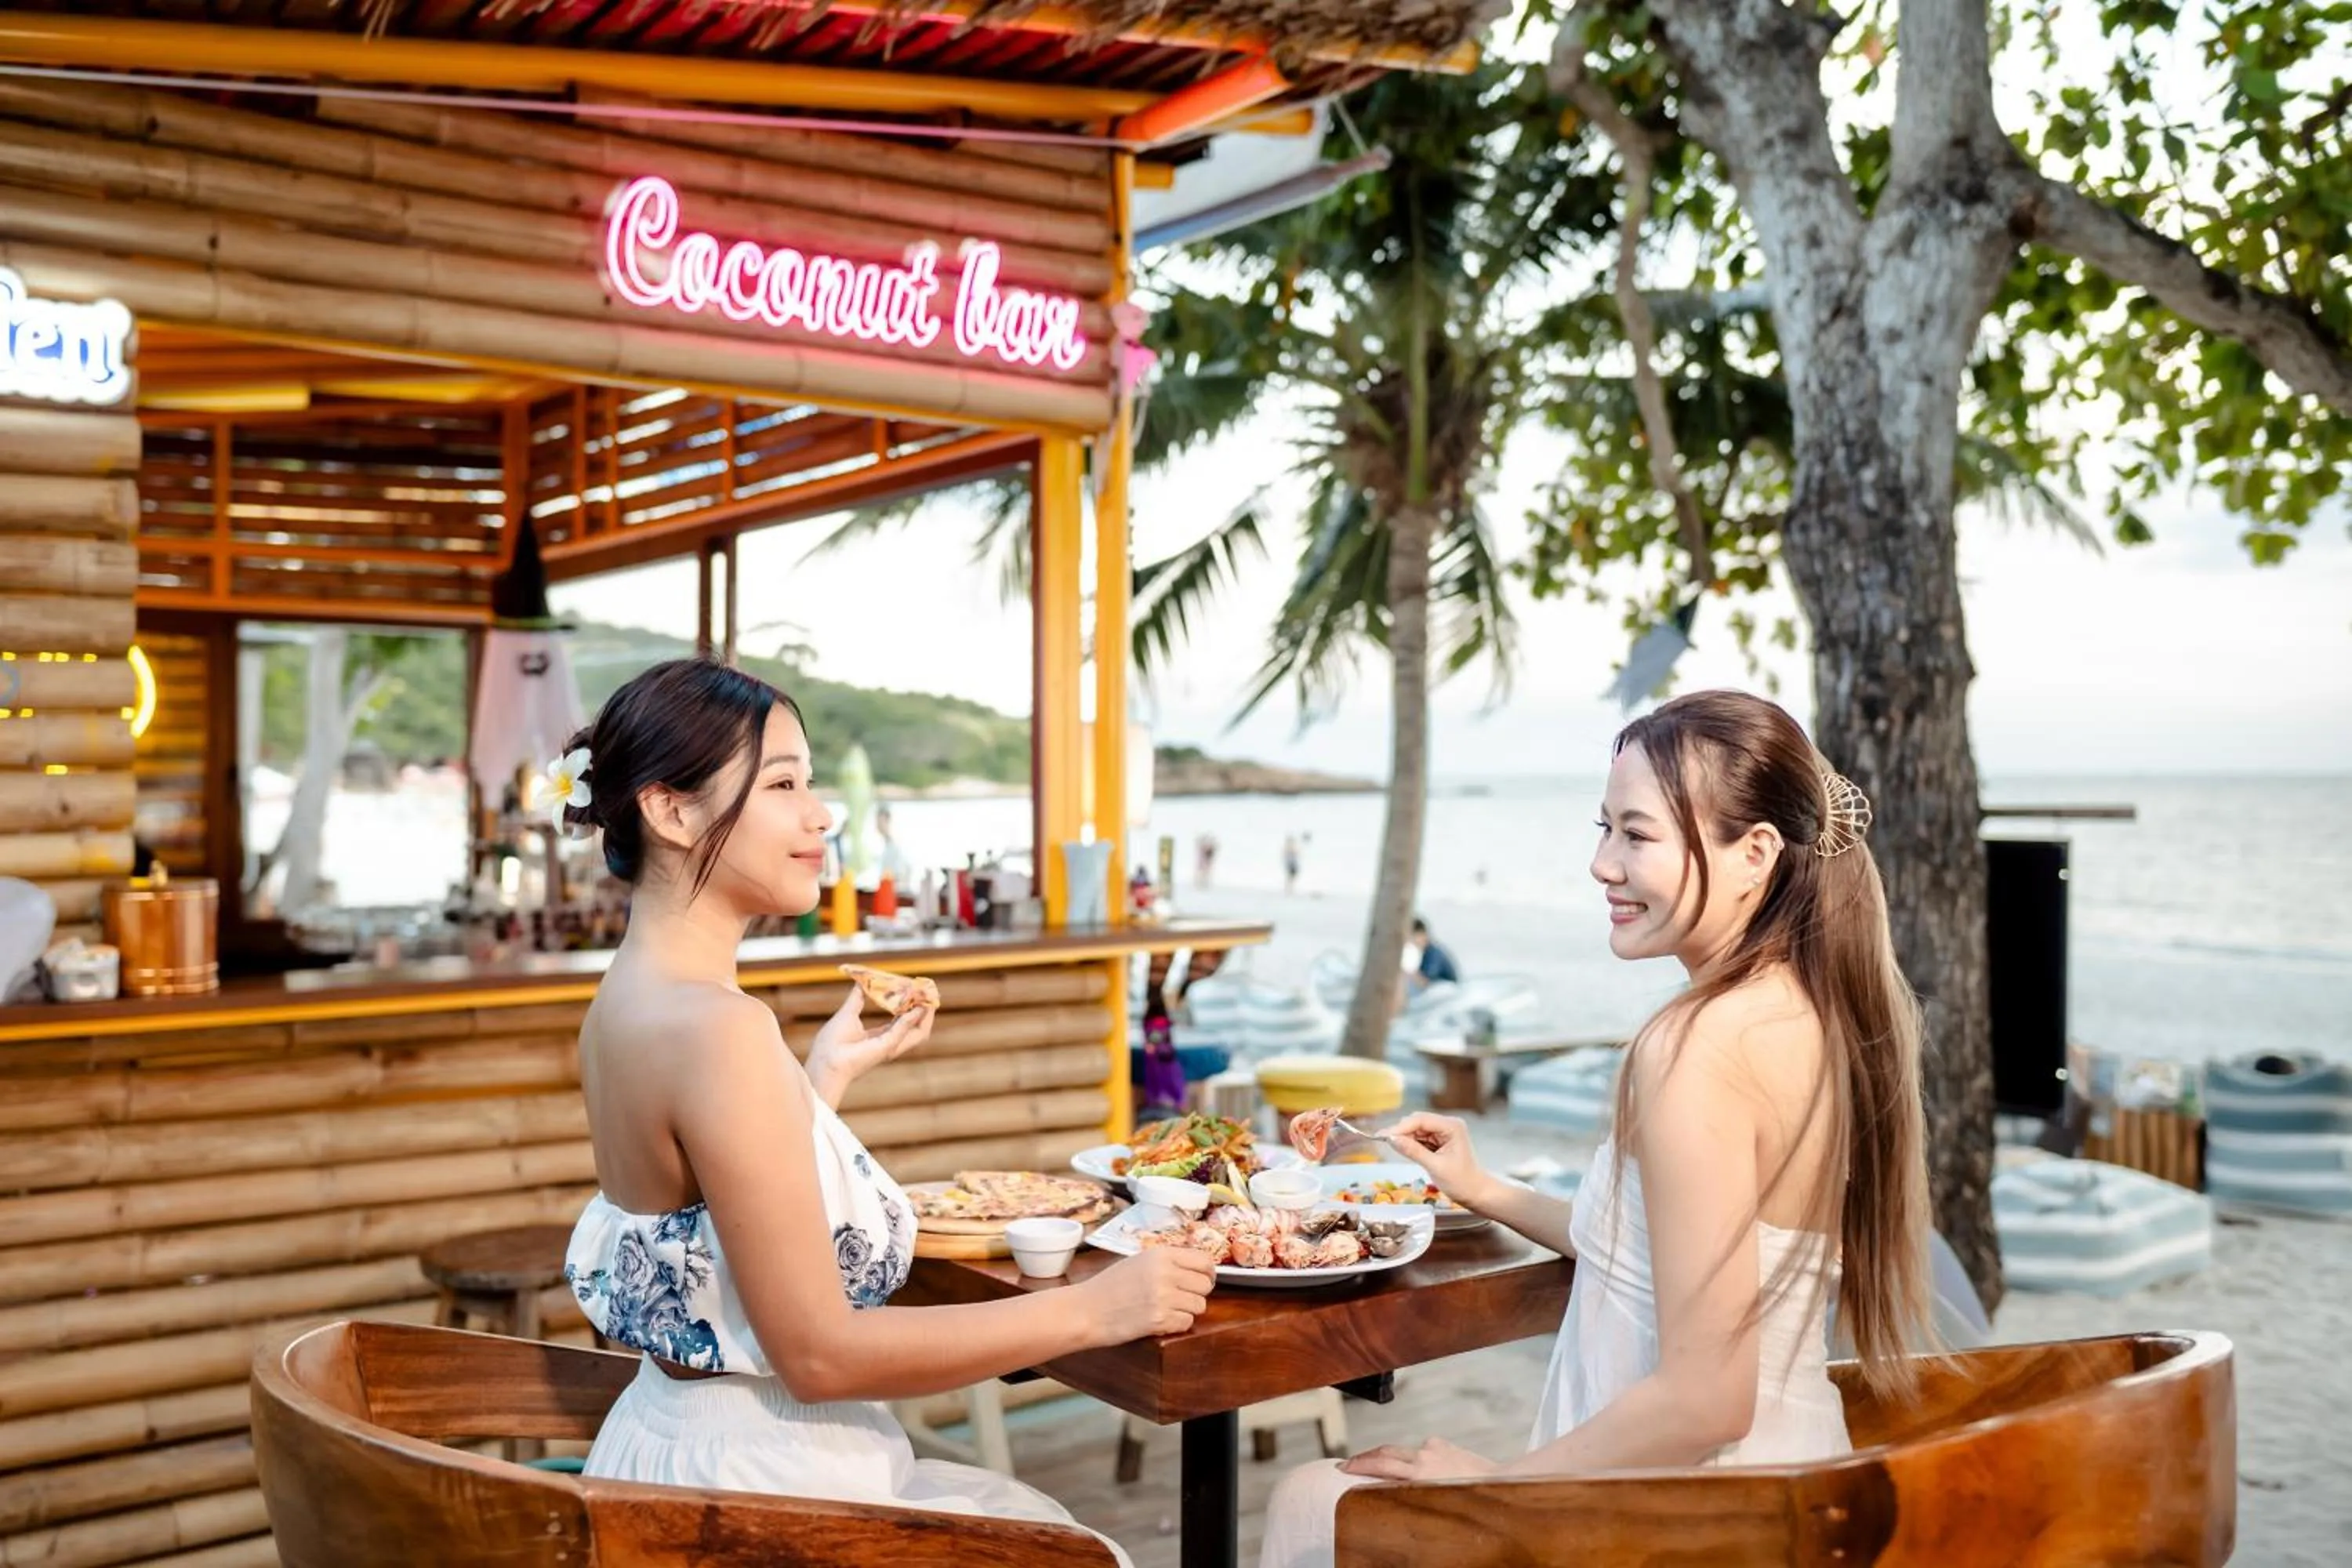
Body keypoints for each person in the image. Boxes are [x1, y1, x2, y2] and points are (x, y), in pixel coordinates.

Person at [1259, 689, 1932, 1568]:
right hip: (1795, 1492)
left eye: (1637, 835)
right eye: (1604, 827)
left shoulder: (1696, 1045)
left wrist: (1496, 1484)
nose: (1601, 863)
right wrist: (1485, 1189)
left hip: (1696, 1519)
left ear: (1755, 853)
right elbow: (1667, 1256)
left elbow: (1707, 1398)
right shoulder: (1804, 1011)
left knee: (1314, 1500)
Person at [554, 659, 1209, 1555]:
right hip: (762, 1483)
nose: (821, 813)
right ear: (672, 810)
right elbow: (819, 1353)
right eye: (783, 783)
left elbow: (692, 1221)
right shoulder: (719, 1028)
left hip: (668, 1444)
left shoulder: (629, 999)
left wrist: (815, 1083)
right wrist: (1100, 1309)